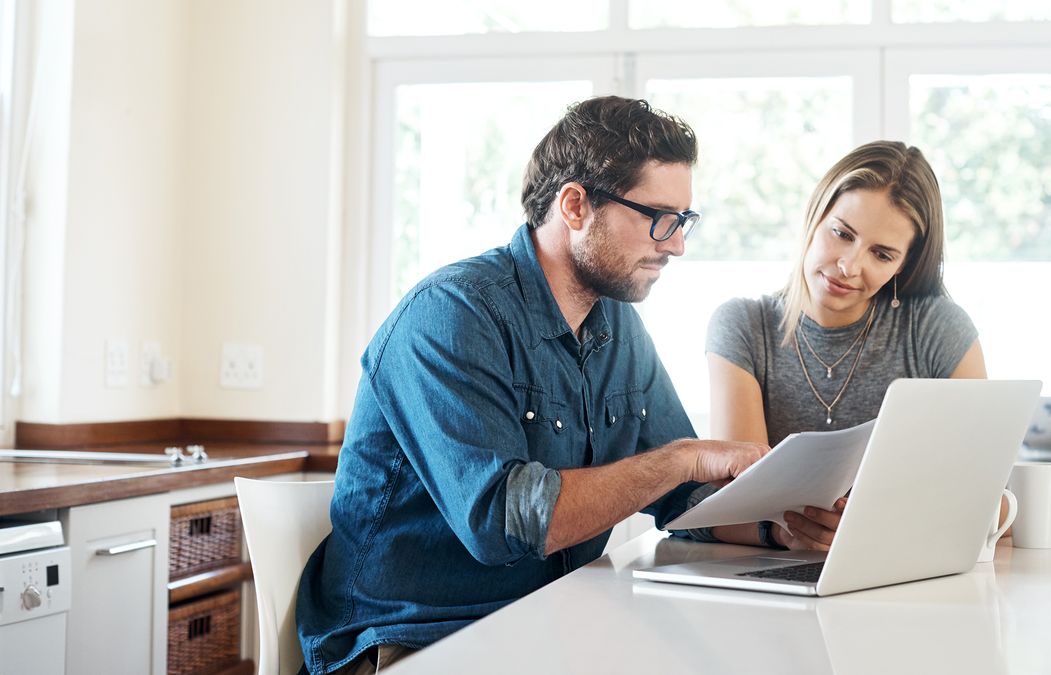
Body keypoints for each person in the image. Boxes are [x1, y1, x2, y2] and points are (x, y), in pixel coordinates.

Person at [295, 96, 769, 674]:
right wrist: (683, 460)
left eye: (683, 220)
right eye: (658, 218)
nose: (675, 245)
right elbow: (503, 523)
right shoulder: (451, 314)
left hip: (545, 623)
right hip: (412, 639)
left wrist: (780, 523)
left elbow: (682, 497)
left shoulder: (617, 325)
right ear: (575, 205)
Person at [692, 140, 989, 551]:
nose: (850, 266)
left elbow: (987, 490)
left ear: (904, 264)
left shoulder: (937, 328)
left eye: (881, 254)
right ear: (816, 216)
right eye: (842, 233)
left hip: (902, 567)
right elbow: (739, 500)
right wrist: (789, 532)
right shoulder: (743, 327)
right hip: (777, 577)